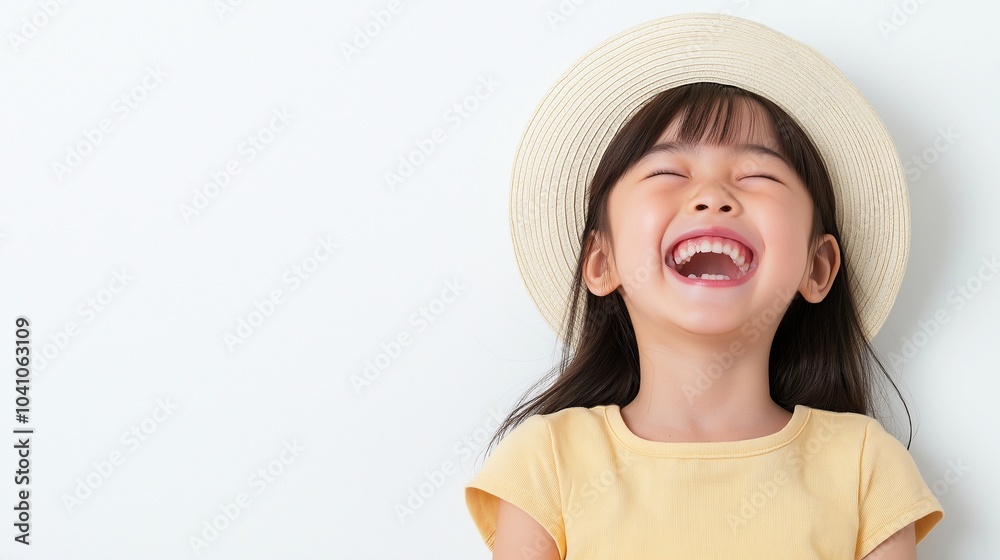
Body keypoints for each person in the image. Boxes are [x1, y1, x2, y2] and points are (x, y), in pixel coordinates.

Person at [464, 13, 944, 560]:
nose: (713, 196)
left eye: (758, 175)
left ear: (817, 268)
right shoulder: (546, 462)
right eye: (668, 172)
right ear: (601, 261)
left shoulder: (865, 467)